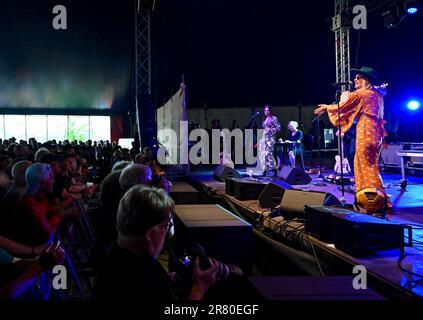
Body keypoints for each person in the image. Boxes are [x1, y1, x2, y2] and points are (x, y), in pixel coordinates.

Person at [96, 185, 218, 302]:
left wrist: (167, 279)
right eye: (166, 226)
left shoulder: (114, 254)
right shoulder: (147, 277)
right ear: (150, 234)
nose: (166, 233)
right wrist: (198, 288)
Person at [314, 66, 391, 211]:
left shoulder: (363, 93)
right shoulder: (377, 95)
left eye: (359, 77)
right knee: (370, 165)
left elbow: (343, 107)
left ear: (366, 80)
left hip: (367, 130)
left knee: (364, 165)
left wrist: (326, 107)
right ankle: (375, 199)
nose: (355, 79)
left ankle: (373, 201)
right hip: (376, 133)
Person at [262, 105, 281, 176]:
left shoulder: (273, 118)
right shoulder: (265, 119)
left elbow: (278, 128)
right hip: (265, 138)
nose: (266, 112)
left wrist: (270, 130)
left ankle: (275, 168)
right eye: (265, 110)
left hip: (271, 138)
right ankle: (266, 170)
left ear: (270, 111)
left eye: (268, 110)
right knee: (264, 154)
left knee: (268, 153)